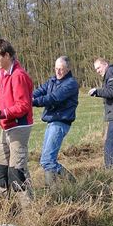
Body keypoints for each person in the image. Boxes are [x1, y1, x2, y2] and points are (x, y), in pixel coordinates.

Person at [0, 39, 34, 202]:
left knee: (17, 171)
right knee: (1, 168)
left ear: (6, 55)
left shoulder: (18, 76)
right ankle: (5, 206)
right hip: (7, 127)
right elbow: (1, 93)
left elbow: (23, 106)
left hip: (19, 127)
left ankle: (28, 211)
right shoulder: (4, 73)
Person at [33, 56, 79, 187]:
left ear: (68, 69)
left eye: (61, 69)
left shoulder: (71, 84)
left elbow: (53, 98)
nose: (58, 72)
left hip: (60, 123)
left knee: (48, 160)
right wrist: (27, 96)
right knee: (45, 160)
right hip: (52, 122)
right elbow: (40, 90)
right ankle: (53, 189)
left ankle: (70, 184)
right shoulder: (52, 80)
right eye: (56, 68)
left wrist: (32, 102)